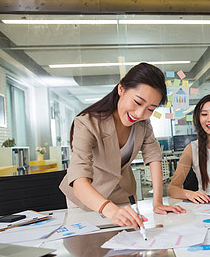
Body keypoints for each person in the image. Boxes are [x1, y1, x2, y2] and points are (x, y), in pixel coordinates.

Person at [60, 63, 185, 230]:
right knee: (91, 250)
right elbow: (79, 180)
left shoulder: (143, 124)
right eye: (137, 102)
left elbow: (153, 156)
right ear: (121, 89)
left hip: (121, 197)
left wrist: (157, 202)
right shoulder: (87, 122)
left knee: (125, 249)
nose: (140, 114)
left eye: (150, 109)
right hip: (87, 200)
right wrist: (109, 209)